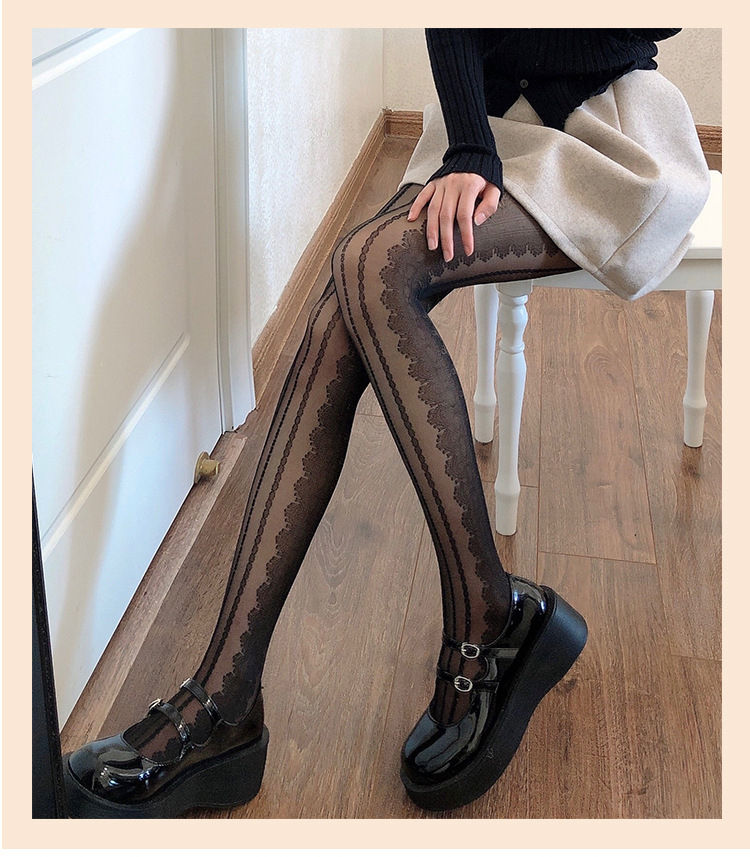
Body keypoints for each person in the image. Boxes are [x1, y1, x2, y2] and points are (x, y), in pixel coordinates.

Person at [62, 27, 705, 817]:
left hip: (604, 127)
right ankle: (268, 680)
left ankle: (237, 701)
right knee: (354, 282)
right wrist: (470, 147)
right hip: (489, 124)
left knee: (366, 268)